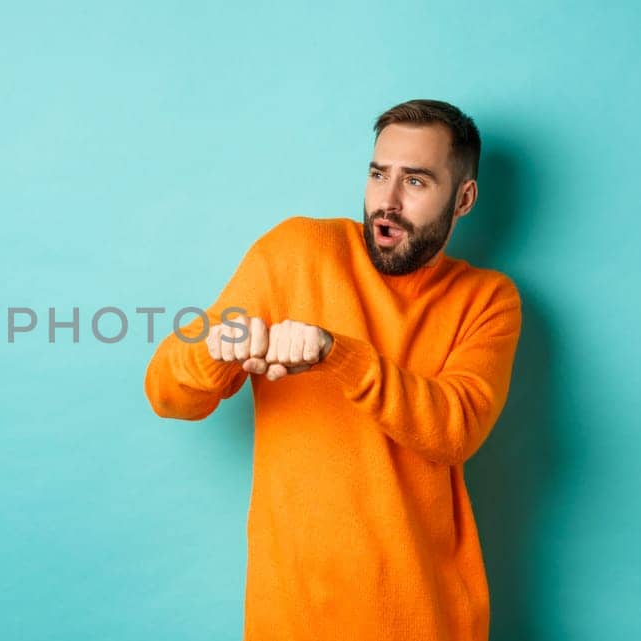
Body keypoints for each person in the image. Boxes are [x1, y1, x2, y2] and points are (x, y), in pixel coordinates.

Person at [143, 99, 523, 641]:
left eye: (415, 182)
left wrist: (336, 354)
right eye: (377, 175)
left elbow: (454, 429)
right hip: (293, 616)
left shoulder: (488, 300)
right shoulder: (296, 252)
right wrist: (216, 348)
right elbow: (166, 393)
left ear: (463, 199)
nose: (386, 203)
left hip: (424, 618)